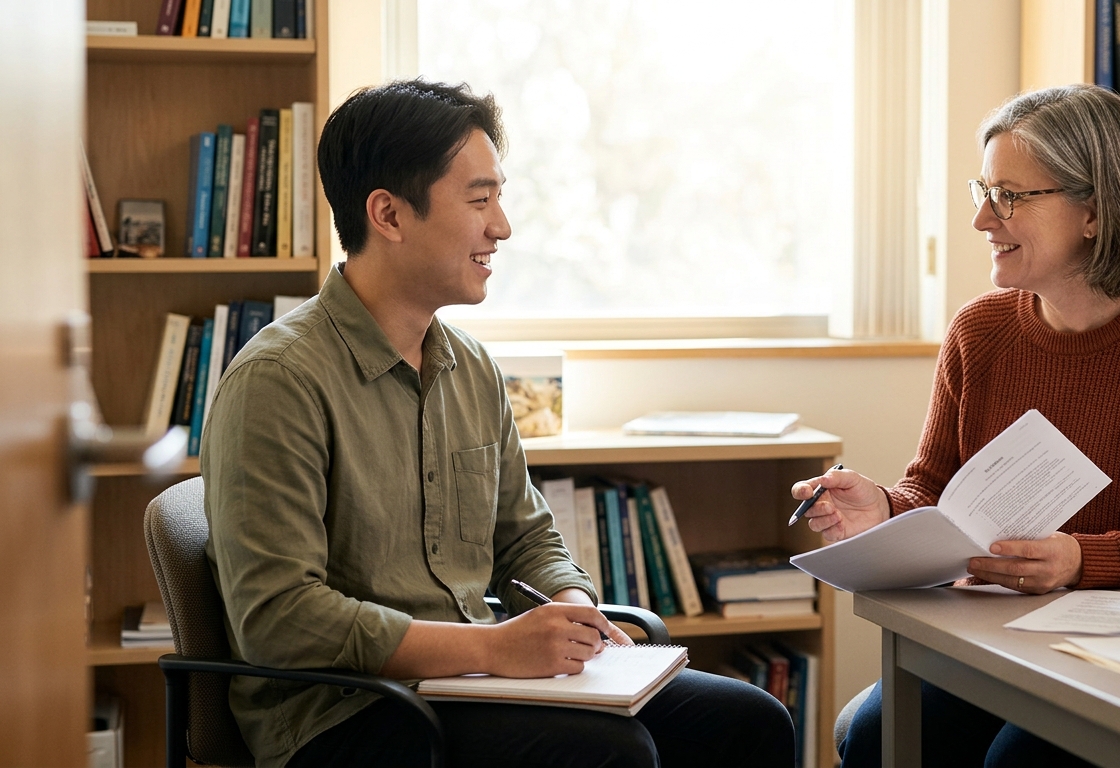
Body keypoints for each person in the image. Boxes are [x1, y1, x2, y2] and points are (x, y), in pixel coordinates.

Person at [202, 79, 794, 768]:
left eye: (499, 199)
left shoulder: (472, 368)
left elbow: (527, 534)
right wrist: (493, 648)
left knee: (752, 722)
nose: (502, 227)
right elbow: (279, 618)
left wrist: (573, 612)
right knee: (612, 753)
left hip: (472, 682)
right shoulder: (279, 380)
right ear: (388, 215)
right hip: (343, 711)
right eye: (479, 201)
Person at [794, 83, 1120, 768]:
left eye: (1009, 196)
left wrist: (1079, 560)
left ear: (1095, 211)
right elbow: (936, 489)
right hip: (1000, 631)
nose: (983, 219)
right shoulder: (979, 330)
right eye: (982, 190)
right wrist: (886, 507)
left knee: (1019, 762)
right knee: (876, 734)